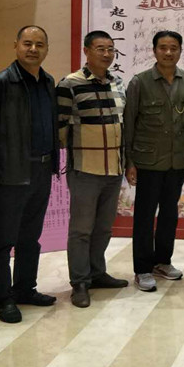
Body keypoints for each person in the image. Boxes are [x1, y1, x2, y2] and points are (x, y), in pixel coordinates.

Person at [0, 26, 60, 323]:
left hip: (41, 170)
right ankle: (3, 298)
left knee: (30, 237)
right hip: (10, 171)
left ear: (46, 49)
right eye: (27, 43)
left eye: (39, 44)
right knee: (4, 239)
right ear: (16, 46)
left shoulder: (48, 81)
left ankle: (25, 289)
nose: (33, 49)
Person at [57, 30, 129, 308]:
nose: (107, 54)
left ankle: (97, 273)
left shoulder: (118, 83)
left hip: (114, 169)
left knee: (103, 228)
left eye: (110, 49)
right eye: (100, 49)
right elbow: (60, 128)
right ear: (86, 51)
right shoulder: (70, 84)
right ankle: (79, 282)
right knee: (81, 230)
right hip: (85, 170)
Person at [123, 30, 184, 292]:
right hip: (147, 161)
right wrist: (129, 161)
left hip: (177, 160)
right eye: (163, 47)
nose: (168, 52)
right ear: (154, 51)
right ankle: (142, 268)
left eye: (173, 48)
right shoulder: (140, 82)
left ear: (180, 51)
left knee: (169, 214)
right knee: (144, 215)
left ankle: (163, 261)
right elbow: (129, 123)